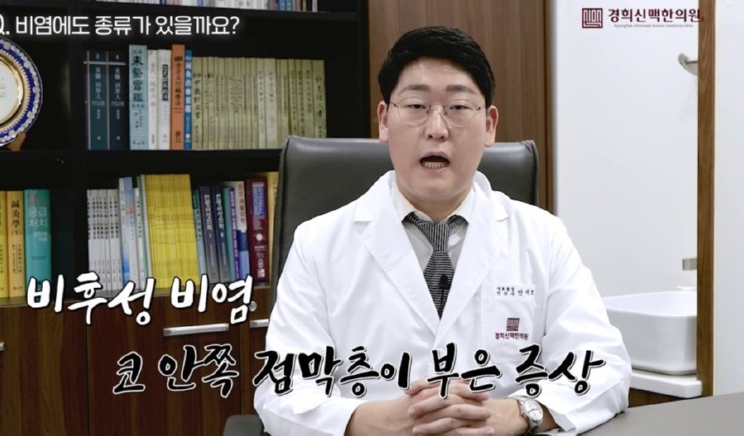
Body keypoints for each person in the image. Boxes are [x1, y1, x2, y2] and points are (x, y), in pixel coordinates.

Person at [254, 25, 631, 435]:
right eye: (416, 105)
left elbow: (603, 367)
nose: (436, 128)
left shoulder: (542, 237)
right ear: (384, 121)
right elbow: (281, 390)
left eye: (458, 107)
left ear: (489, 125)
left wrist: (519, 414)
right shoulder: (318, 243)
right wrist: (369, 421)